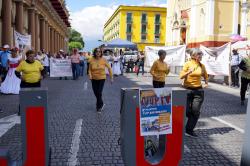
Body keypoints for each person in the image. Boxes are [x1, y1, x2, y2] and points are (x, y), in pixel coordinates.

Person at [180, 48, 208, 137]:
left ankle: (189, 129)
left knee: (195, 111)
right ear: (193, 56)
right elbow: (181, 76)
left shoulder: (201, 65)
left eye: (201, 54)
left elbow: (206, 76)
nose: (201, 56)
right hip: (188, 90)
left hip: (198, 91)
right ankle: (189, 122)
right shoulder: (187, 64)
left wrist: (206, 83)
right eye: (199, 54)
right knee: (187, 111)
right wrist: (188, 72)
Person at [88, 47, 113, 113]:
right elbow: (89, 69)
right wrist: (90, 76)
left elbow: (109, 68)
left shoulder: (104, 60)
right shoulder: (91, 60)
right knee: (96, 92)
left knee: (99, 92)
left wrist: (111, 78)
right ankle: (101, 103)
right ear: (95, 53)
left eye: (99, 52)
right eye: (97, 52)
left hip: (102, 78)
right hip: (93, 78)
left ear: (101, 53)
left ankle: (98, 106)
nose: (98, 53)